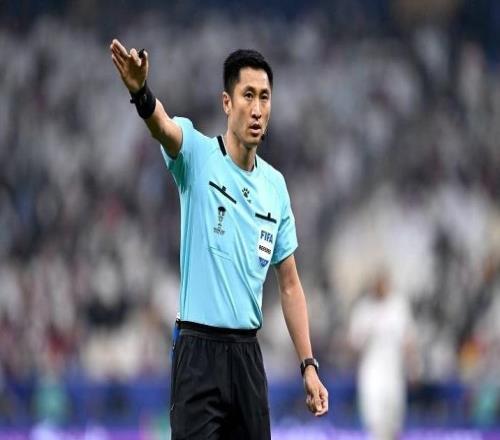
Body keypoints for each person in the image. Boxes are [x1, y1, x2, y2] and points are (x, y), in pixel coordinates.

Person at [109, 39, 328, 439]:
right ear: (227, 103)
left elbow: (290, 285)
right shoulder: (197, 155)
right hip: (198, 353)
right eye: (248, 95)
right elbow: (163, 126)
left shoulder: (275, 187)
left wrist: (308, 365)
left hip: (247, 357)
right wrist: (141, 93)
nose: (257, 108)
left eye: (265, 97)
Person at [348, 270, 419, 440]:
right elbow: (353, 343)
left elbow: (408, 340)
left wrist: (414, 368)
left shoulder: (398, 306)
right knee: (373, 418)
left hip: (394, 371)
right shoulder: (363, 309)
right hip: (371, 372)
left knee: (394, 419)